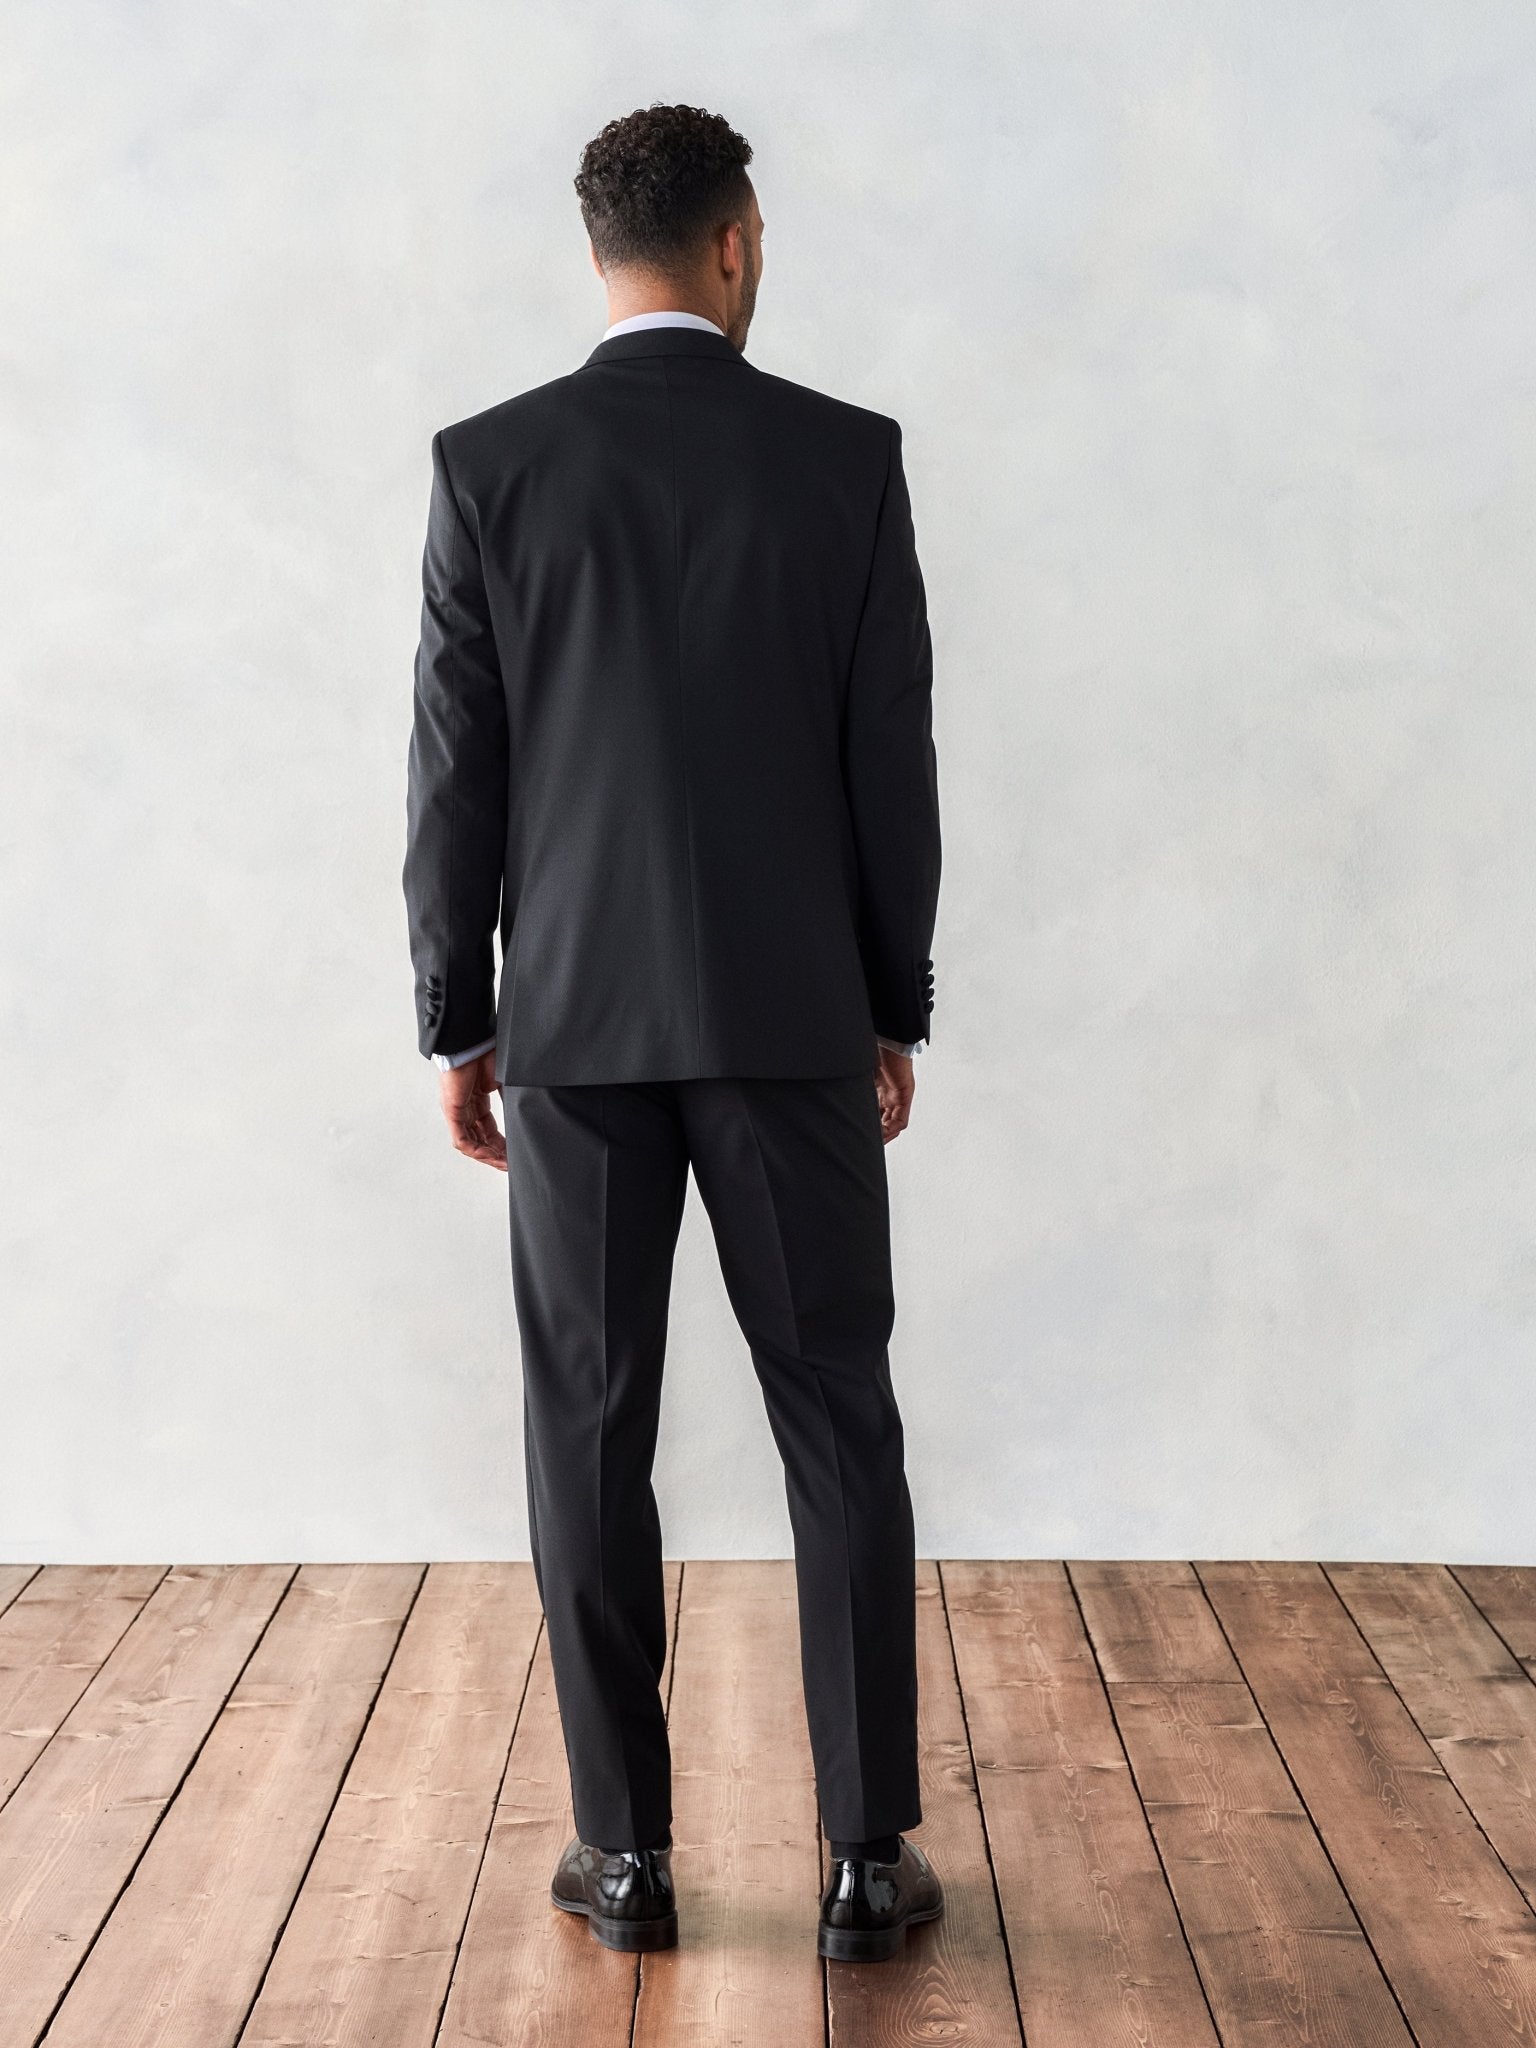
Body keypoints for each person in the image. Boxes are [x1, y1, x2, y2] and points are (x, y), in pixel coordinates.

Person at [402, 101, 942, 1964]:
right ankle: (868, 1859)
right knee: (835, 1418)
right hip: (791, 1019)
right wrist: (893, 1000)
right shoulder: (846, 462)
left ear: (600, 250)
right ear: (739, 243)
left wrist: (459, 1018)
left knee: (588, 1425)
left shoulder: (493, 469)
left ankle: (624, 1860)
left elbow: (457, 777)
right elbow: (893, 767)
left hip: (574, 1029)